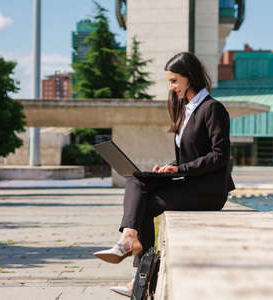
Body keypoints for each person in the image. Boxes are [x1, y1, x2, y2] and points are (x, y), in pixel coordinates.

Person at [94, 52, 235, 297]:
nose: (171, 87)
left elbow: (219, 156)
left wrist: (179, 169)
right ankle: (130, 242)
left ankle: (136, 271)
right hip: (189, 182)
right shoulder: (186, 110)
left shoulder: (213, 109)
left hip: (209, 191)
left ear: (190, 78)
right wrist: (169, 167)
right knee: (136, 179)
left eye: (174, 81)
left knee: (145, 203)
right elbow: (188, 156)